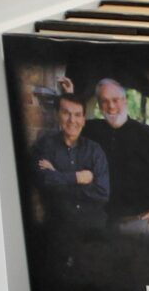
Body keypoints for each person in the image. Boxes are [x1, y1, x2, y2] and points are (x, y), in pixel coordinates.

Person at [85, 77, 149, 237]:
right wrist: (67, 94)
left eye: (115, 100)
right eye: (104, 101)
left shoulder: (148, 136)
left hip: (145, 225)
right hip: (106, 227)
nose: (111, 106)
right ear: (98, 103)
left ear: (125, 101)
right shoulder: (92, 131)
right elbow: (72, 123)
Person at [30, 93, 109, 231]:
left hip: (94, 231)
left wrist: (57, 175)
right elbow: (43, 181)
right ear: (57, 115)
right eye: (66, 113)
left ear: (84, 120)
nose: (72, 120)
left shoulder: (95, 150)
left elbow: (102, 193)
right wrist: (77, 177)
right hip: (57, 229)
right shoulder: (44, 146)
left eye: (78, 115)